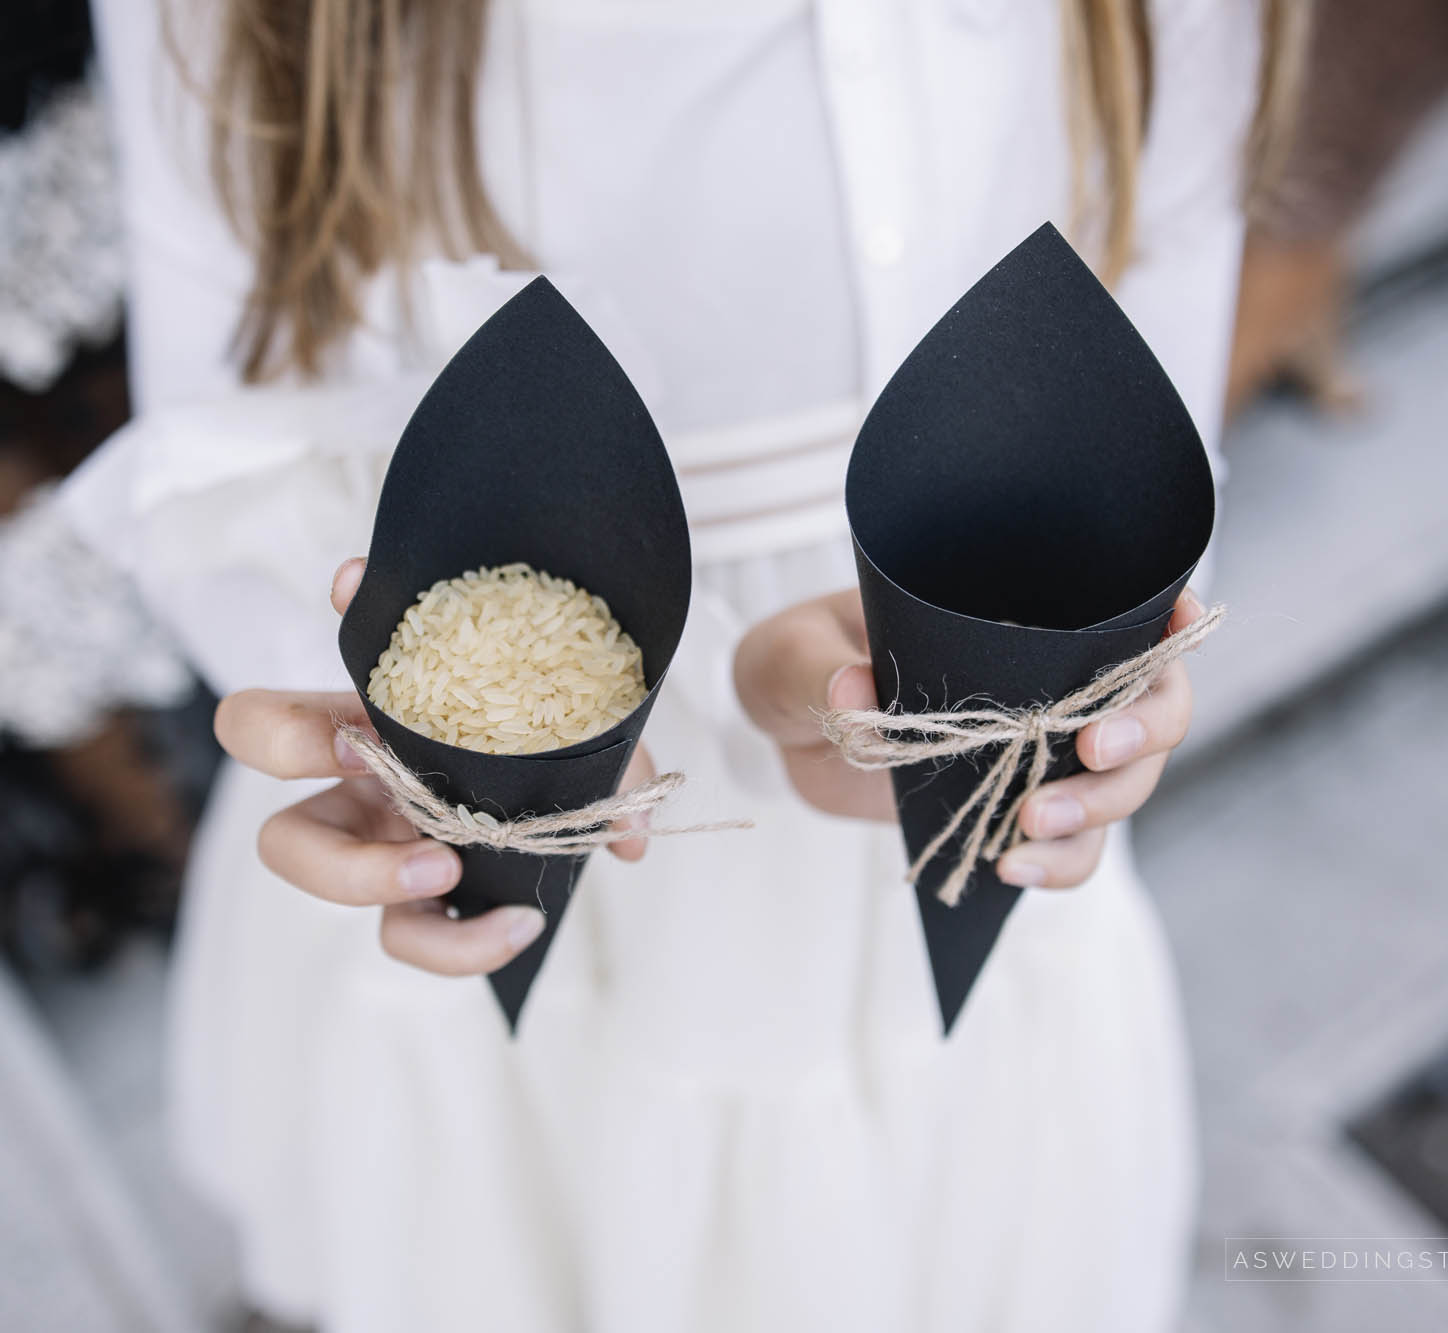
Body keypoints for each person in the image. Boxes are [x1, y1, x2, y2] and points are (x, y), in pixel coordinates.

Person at [65, 1, 1302, 1328]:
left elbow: (1142, 391)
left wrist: (1084, 670)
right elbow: (219, 436)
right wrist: (385, 719)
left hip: (930, 777)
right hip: (511, 733)